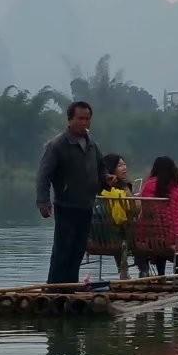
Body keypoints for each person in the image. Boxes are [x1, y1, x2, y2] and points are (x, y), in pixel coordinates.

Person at [36, 101, 105, 285]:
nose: (84, 122)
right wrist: (43, 202)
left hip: (86, 205)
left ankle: (70, 288)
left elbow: (101, 170)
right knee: (62, 250)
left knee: (78, 250)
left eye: (88, 119)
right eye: (80, 118)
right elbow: (44, 175)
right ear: (70, 120)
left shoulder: (92, 145)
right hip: (66, 206)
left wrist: (108, 178)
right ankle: (55, 289)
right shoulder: (57, 145)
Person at [136, 156, 178, 276]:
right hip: (175, 238)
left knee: (159, 235)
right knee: (175, 239)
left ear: (154, 169)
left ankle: (161, 274)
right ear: (174, 170)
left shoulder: (147, 187)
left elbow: (144, 211)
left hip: (149, 238)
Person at [95, 153, 134, 280]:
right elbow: (134, 209)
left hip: (98, 237)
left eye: (124, 164)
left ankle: (122, 269)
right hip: (118, 236)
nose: (124, 168)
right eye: (119, 165)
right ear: (111, 169)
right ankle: (142, 270)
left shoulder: (97, 190)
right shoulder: (123, 188)